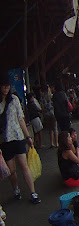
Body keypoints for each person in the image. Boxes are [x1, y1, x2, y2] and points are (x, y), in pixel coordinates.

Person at [0, 72, 40, 203]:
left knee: (24, 166)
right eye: (3, 86)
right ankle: (15, 189)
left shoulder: (14, 100)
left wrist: (28, 136)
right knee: (12, 170)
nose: (6, 89)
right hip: (5, 141)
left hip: (18, 137)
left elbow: (21, 119)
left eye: (7, 86)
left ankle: (33, 193)